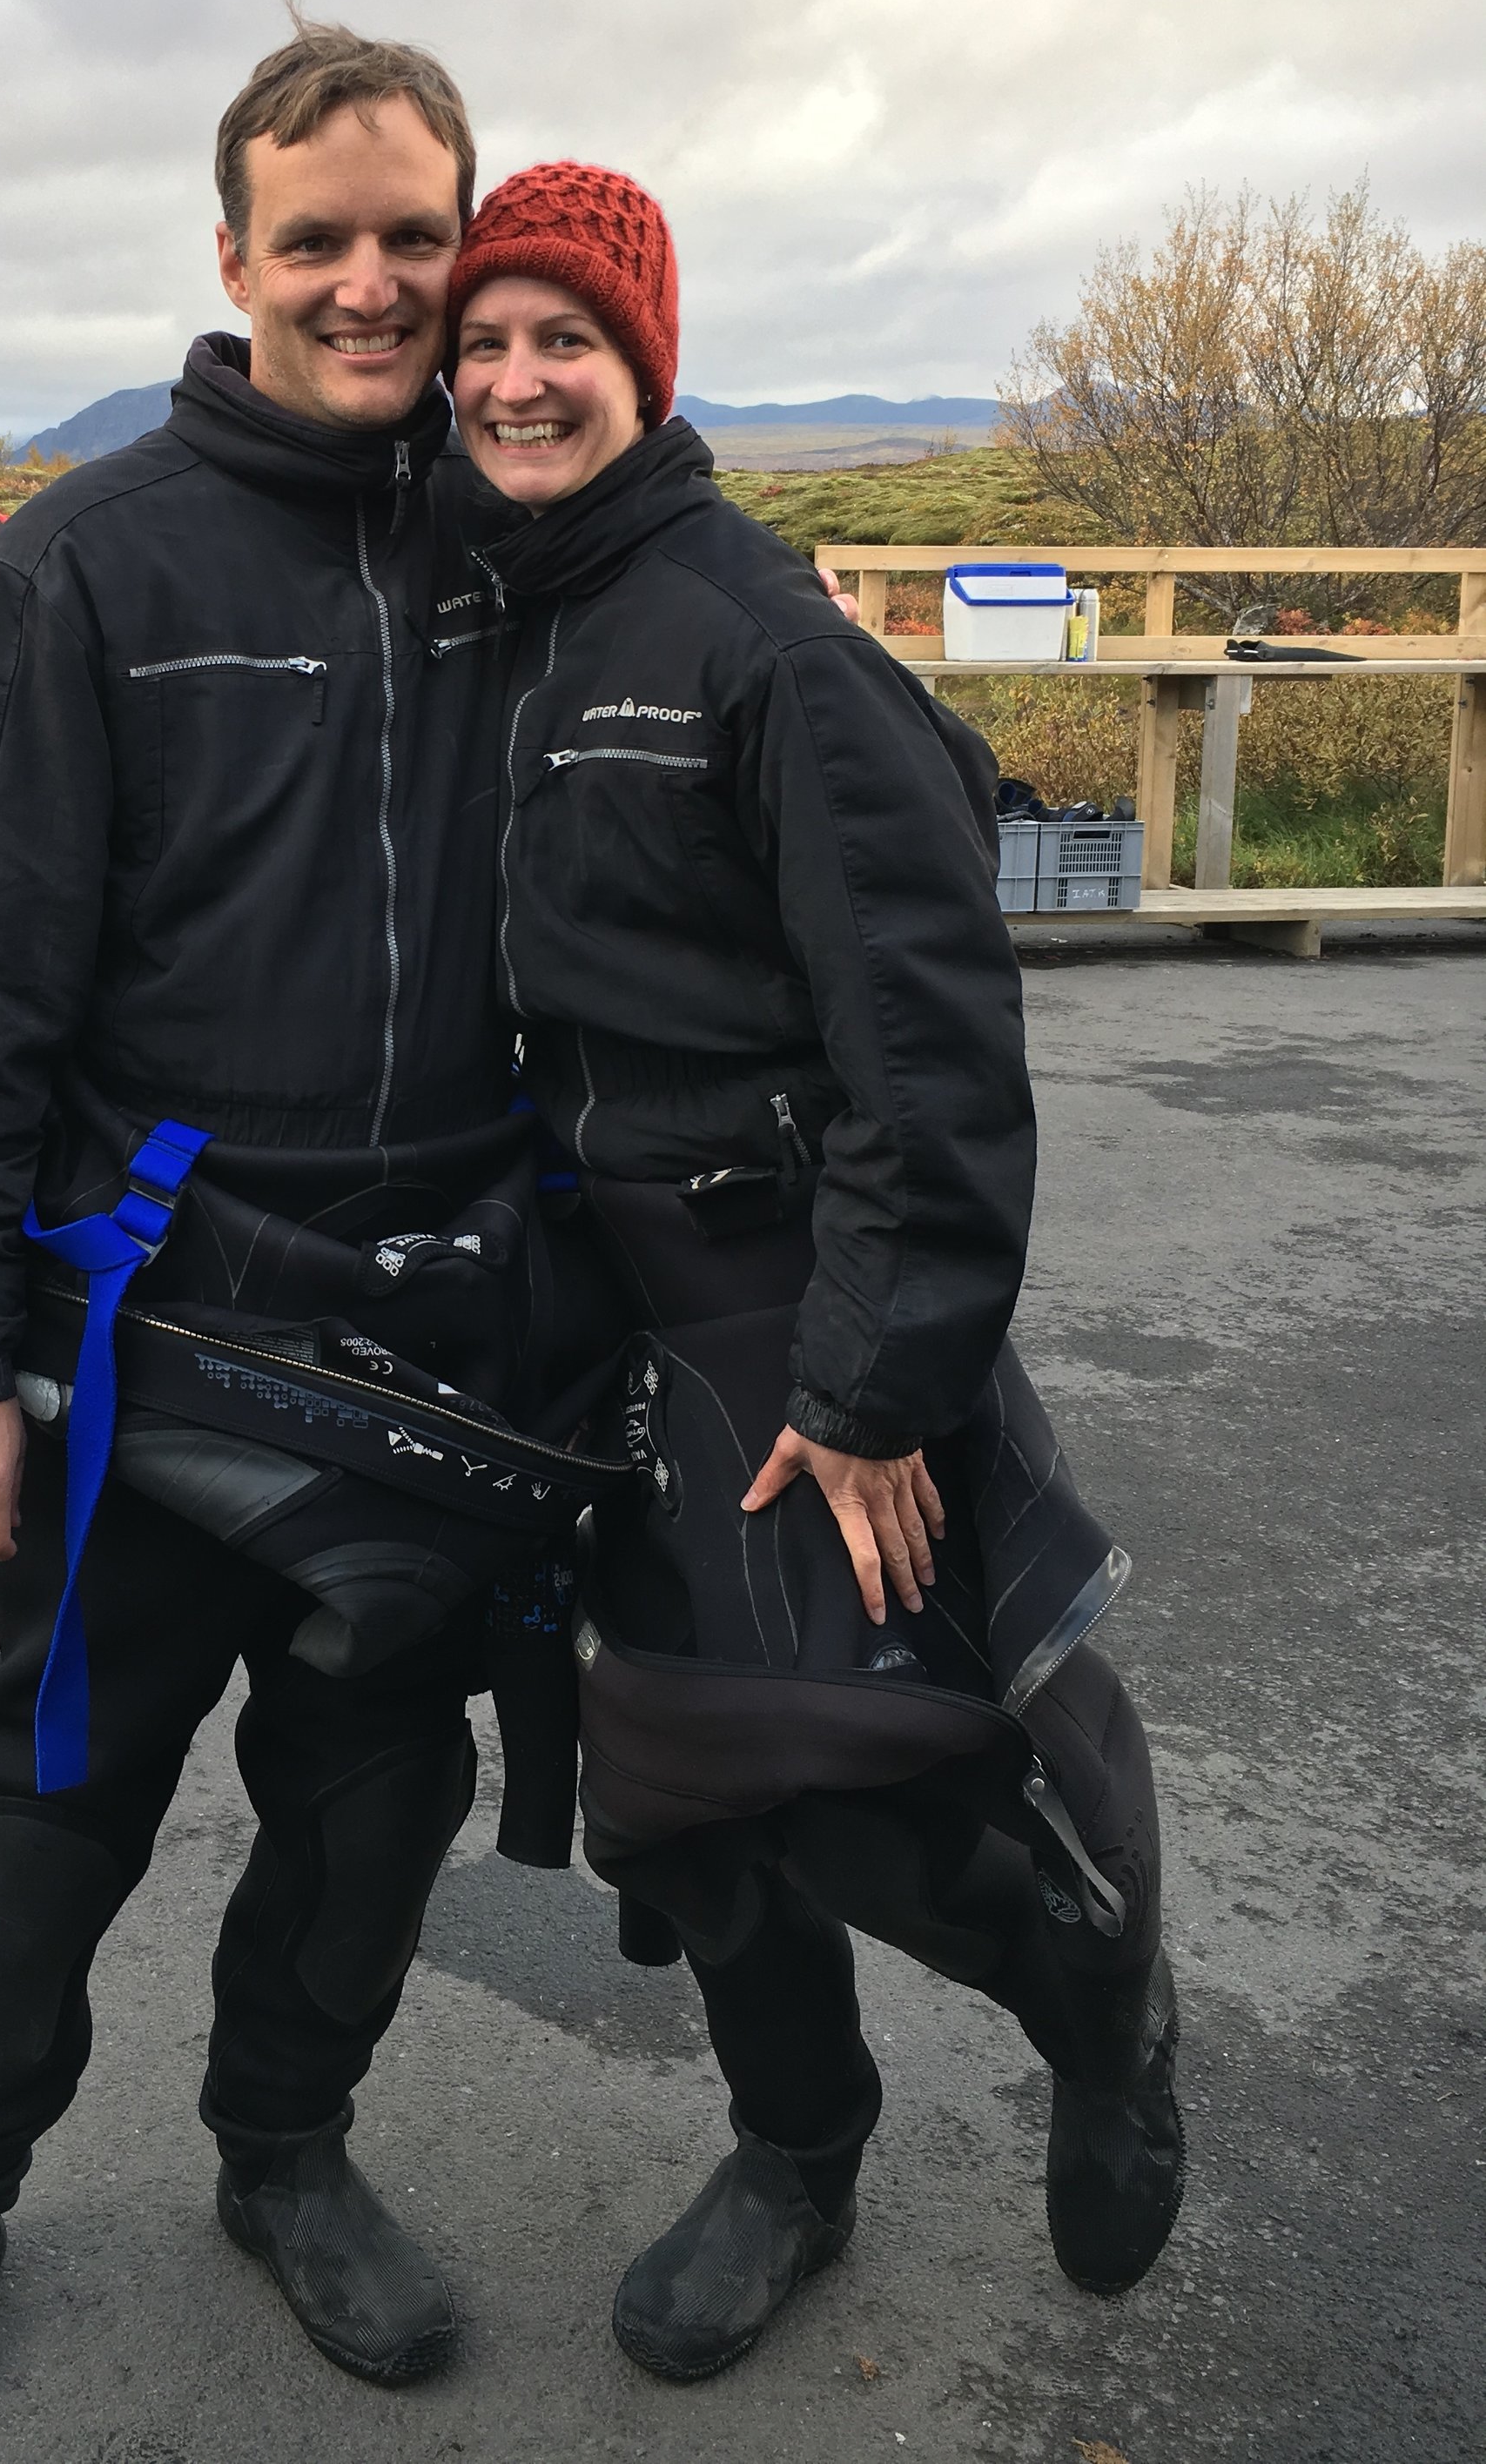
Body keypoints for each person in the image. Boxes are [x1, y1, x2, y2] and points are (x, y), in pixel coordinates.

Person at [0, 25, 635, 2464]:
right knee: (52, 1791)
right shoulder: (92, 558)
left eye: (411, 237)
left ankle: (285, 2147)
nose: (370, 285)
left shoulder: (529, 545)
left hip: (457, 1320)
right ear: (232, 256)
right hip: (145, 1322)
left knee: (373, 1788)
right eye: (318, 240)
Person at [441, 161, 1184, 2384]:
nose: (507, 375)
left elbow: (934, 1055)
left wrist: (866, 1383)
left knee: (847, 1767)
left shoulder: (760, 643)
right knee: (661, 1788)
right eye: (481, 340)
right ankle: (796, 2147)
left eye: (556, 334)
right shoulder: (522, 612)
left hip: (788, 1304)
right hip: (588, 1316)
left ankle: (1095, 1999)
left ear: (642, 361)